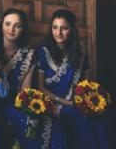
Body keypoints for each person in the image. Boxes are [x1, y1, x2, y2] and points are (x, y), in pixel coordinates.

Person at [36, 9, 111, 149]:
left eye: (64, 28)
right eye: (55, 27)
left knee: (99, 119)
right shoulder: (43, 52)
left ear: (71, 30)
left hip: (75, 103)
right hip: (52, 103)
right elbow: (41, 88)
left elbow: (87, 85)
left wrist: (89, 102)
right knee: (78, 118)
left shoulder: (80, 55)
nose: (58, 33)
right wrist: (66, 103)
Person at [0, 8, 38, 149]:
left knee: (30, 119)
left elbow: (25, 90)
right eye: (7, 24)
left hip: (15, 102)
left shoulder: (29, 55)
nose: (11, 29)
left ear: (23, 29)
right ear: (1, 25)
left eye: (17, 26)